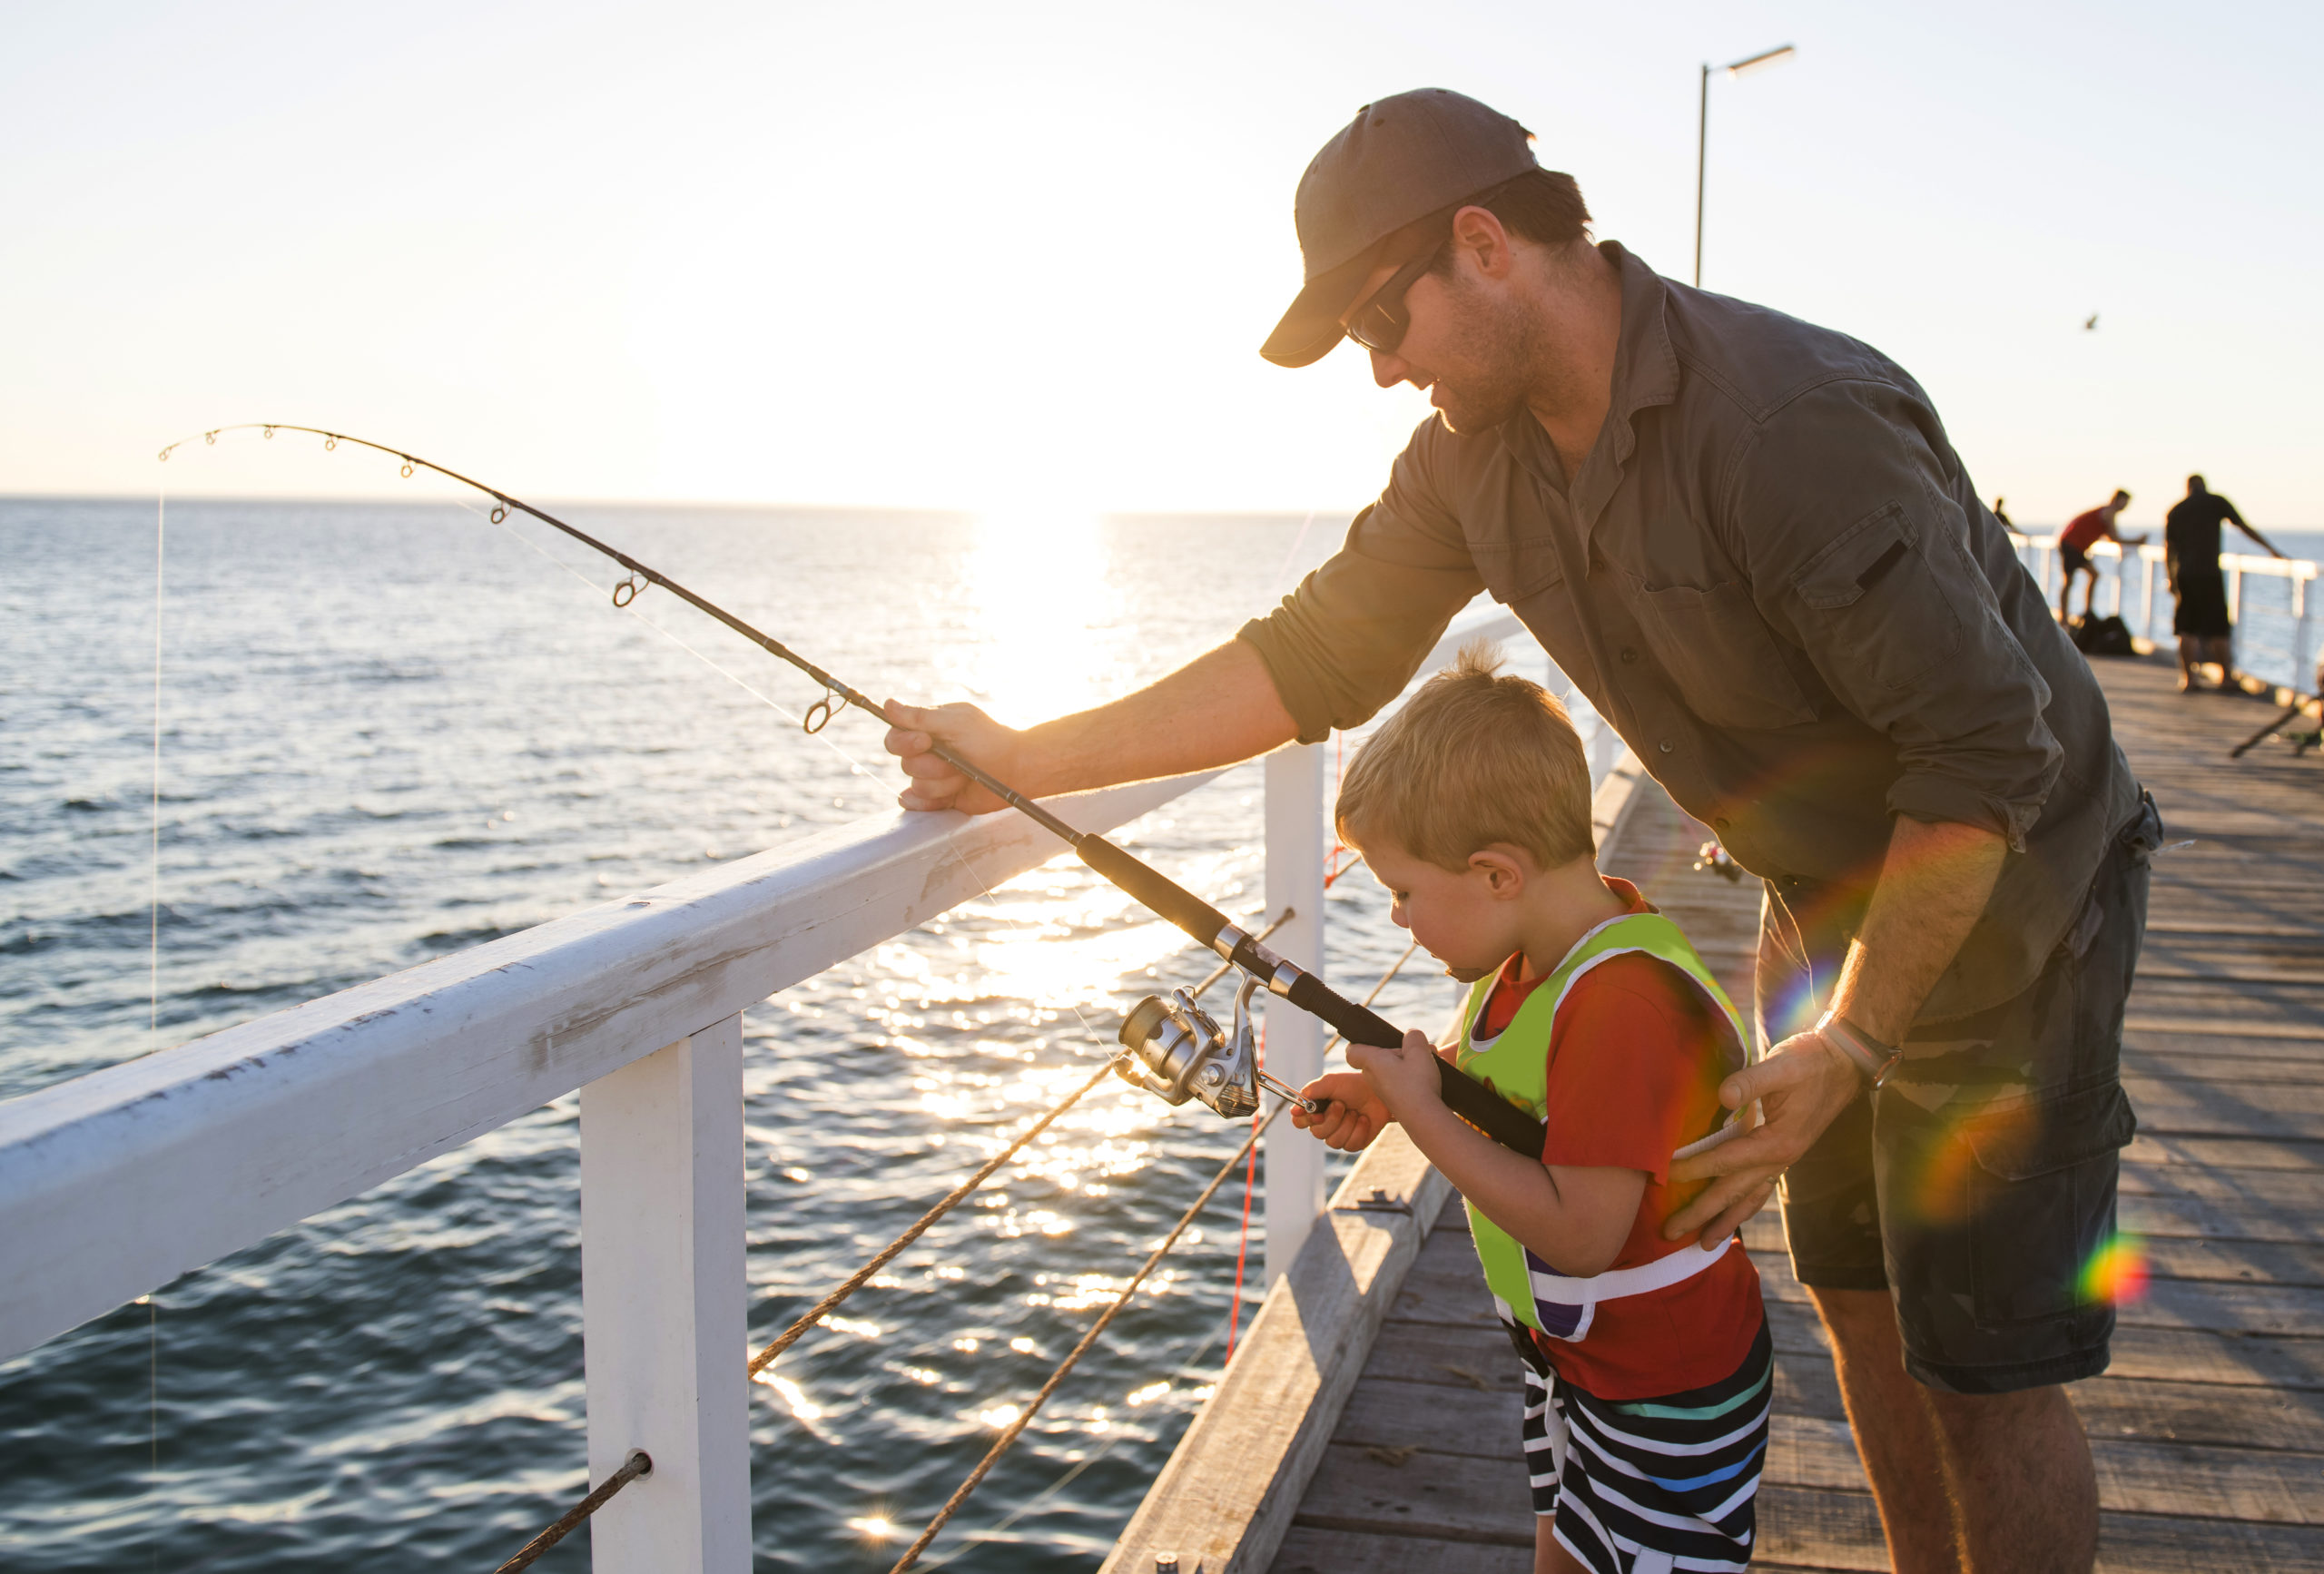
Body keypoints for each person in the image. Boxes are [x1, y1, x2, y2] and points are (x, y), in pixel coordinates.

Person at [883, 89, 2155, 1573]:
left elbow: (1987, 749)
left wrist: (1856, 1038)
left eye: (1380, 320)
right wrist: (1029, 752)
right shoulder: (1470, 457)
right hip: (1821, 886)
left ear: (1482, 245)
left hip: (2010, 891)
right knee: (1862, 1300)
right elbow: (1314, 657)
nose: (1378, 371)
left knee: (1981, 1370)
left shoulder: (1788, 425)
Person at [1296, 645, 1769, 1574]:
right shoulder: (1528, 966)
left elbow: (1583, 1236)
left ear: (1496, 875)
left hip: (1664, 1392)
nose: (1397, 920)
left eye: (1402, 892)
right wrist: (1391, 1100)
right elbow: (1509, 1093)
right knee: (1562, 1548)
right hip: (1574, 1363)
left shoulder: (1619, 1005)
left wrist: (1423, 1119)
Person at [2165, 474, 2285, 693]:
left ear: (2188, 488)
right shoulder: (2216, 502)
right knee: (2218, 627)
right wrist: (2271, 549)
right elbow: (2243, 526)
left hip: (2184, 575)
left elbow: (2169, 549)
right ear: (2204, 486)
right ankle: (2226, 678)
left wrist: (2171, 579)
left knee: (2186, 628)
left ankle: (2188, 679)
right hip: (2209, 573)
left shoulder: (2176, 510)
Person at [2055, 489, 2144, 625]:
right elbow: (2114, 538)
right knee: (2070, 581)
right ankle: (2066, 617)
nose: (2125, 506)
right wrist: (2137, 541)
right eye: (2124, 502)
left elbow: (2109, 536)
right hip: (2072, 545)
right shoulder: (2109, 512)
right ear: (2117, 499)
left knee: (2092, 575)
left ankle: (2085, 613)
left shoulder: (2105, 511)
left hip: (2074, 545)